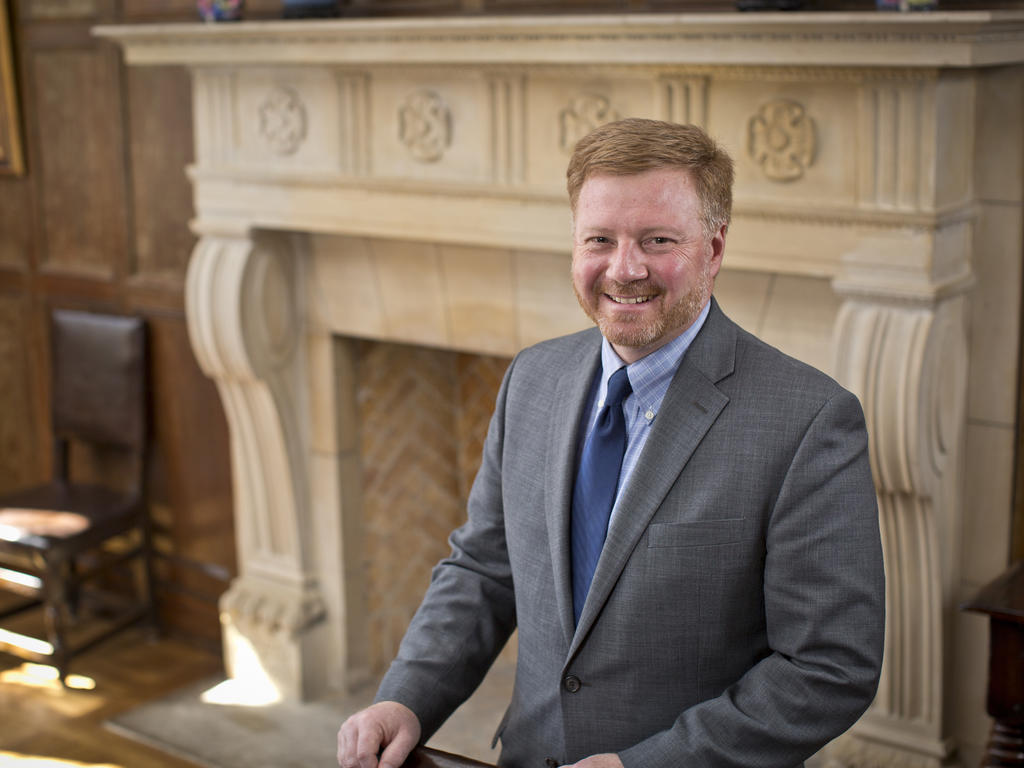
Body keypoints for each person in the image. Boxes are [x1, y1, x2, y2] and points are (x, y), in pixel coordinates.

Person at [337, 118, 884, 768]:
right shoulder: (530, 380)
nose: (625, 269)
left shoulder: (811, 421)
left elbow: (827, 667)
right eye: (600, 239)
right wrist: (406, 699)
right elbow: (485, 569)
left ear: (713, 248)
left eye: (658, 240)